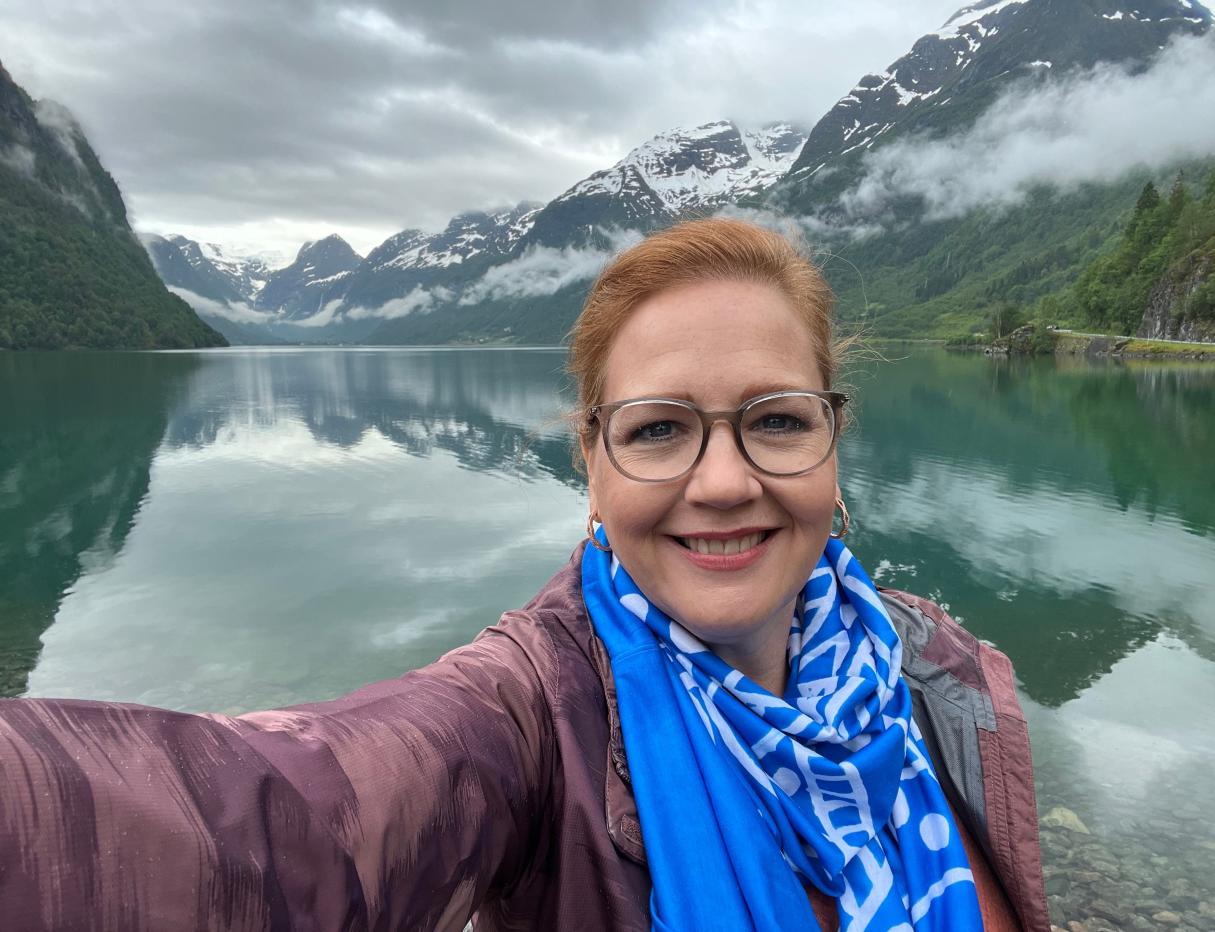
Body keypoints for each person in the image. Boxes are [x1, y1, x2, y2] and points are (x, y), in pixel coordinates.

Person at [0, 218, 1048, 931]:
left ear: (833, 436)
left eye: (776, 418)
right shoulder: (536, 708)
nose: (724, 480)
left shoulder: (927, 665)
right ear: (592, 464)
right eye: (658, 429)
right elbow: (280, 819)